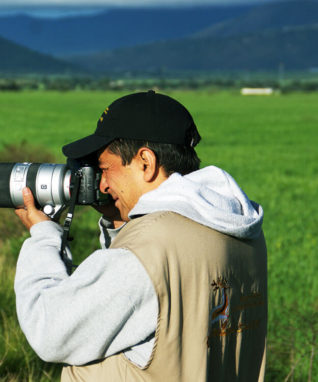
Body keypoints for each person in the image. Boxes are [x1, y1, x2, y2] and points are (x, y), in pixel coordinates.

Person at [14, 90, 267, 381]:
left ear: (145, 162)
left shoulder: (149, 248)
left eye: (105, 169)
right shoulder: (237, 229)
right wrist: (122, 222)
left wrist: (43, 234)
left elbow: (50, 330)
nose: (103, 184)